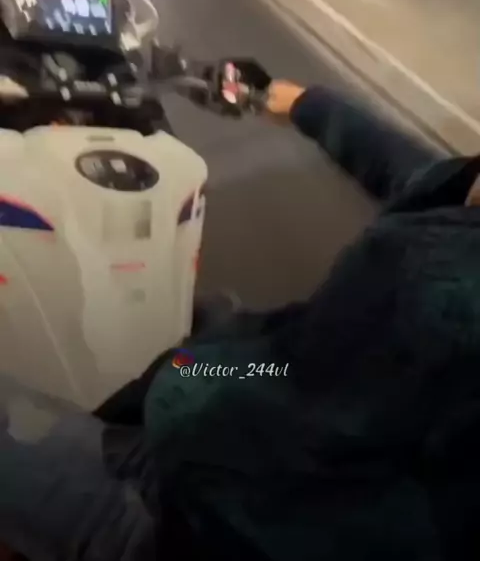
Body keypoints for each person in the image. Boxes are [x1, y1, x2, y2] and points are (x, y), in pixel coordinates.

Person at [1, 65, 480, 561]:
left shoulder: (444, 298)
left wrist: (186, 382)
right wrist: (303, 103)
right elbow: (423, 178)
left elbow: (287, 417)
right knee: (208, 323)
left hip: (199, 521)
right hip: (270, 403)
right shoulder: (466, 205)